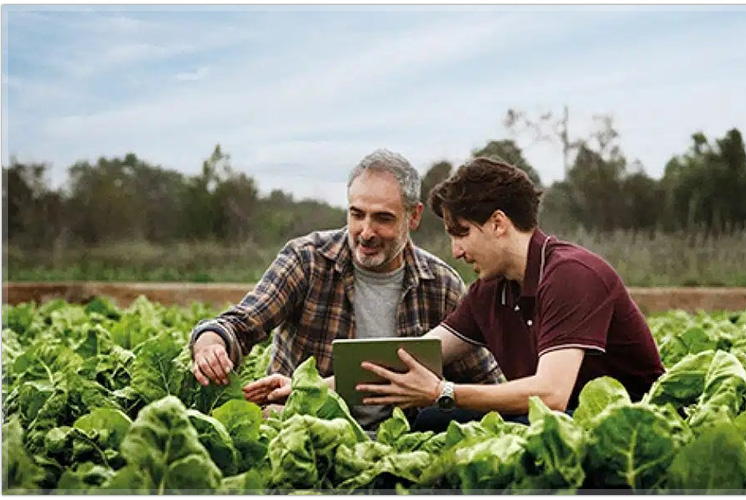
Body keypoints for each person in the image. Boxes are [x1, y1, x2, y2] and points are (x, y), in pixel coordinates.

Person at [189, 149, 504, 431]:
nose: (366, 232)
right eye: (357, 214)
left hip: (405, 445)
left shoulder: (441, 284)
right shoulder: (307, 260)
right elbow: (239, 324)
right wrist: (210, 346)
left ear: (414, 216)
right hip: (303, 437)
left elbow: (485, 384)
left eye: (383, 218)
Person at [356, 156, 665, 425]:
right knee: (430, 420)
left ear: (498, 224)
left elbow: (552, 394)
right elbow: (411, 355)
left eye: (461, 234)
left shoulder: (572, 275)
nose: (456, 251)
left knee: (527, 426)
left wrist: (443, 392)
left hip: (626, 422)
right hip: (552, 418)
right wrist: (318, 388)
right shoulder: (490, 290)